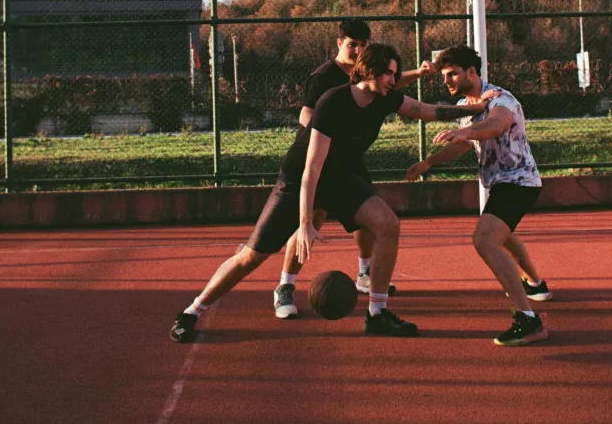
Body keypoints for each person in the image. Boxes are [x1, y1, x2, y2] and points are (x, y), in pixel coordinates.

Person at [170, 44, 491, 343]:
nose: (393, 80)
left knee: (388, 224)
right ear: (368, 70)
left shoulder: (386, 98)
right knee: (250, 257)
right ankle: (192, 311)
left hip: (339, 178)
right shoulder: (333, 101)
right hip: (298, 179)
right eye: (388, 73)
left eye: (395, 74)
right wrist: (305, 223)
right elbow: (312, 168)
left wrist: (477, 108)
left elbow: (429, 111)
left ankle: (377, 314)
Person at [272, 19, 436, 319]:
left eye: (363, 45)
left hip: (350, 157)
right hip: (322, 157)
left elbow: (391, 84)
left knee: (369, 217)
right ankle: (285, 286)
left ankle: (364, 272)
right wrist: (328, 131)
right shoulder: (324, 77)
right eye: (352, 45)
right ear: (339, 43)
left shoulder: (372, 73)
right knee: (313, 220)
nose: (358, 50)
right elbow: (307, 113)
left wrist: (419, 73)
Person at [405, 45, 552, 347]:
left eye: (452, 74)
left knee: (484, 239)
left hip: (519, 181)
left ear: (471, 72)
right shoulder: (464, 105)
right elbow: (461, 144)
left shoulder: (500, 98)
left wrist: (466, 132)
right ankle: (537, 285)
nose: (446, 81)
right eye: (444, 76)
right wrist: (429, 162)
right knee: (504, 237)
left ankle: (528, 319)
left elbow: (496, 125)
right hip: (500, 184)